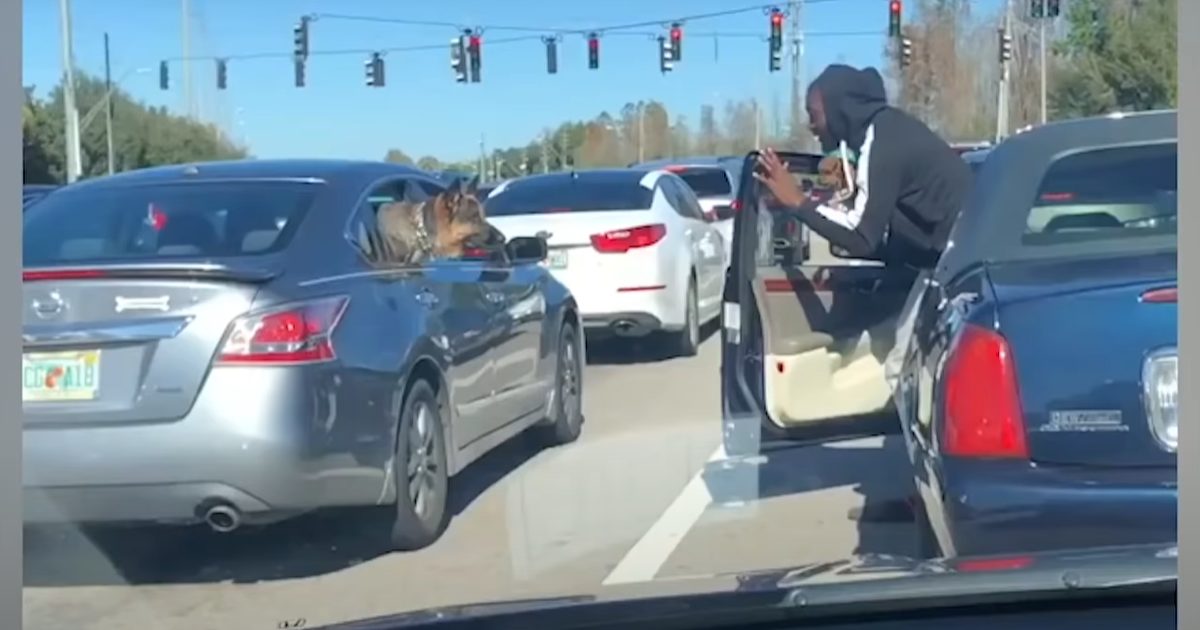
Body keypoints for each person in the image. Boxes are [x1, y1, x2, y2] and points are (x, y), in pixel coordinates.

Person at [752, 63, 973, 395]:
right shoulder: (886, 130)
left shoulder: (881, 142)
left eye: (814, 113)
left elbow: (861, 235)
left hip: (959, 264)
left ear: (840, 108)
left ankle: (932, 443)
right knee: (916, 368)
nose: (811, 125)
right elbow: (881, 222)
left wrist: (798, 202)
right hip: (949, 259)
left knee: (903, 369)